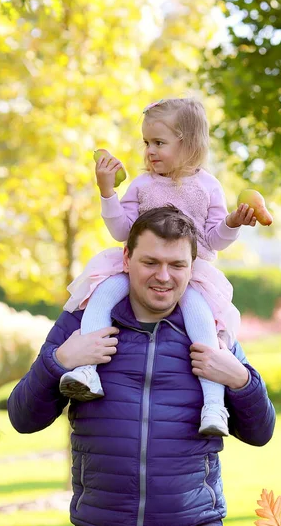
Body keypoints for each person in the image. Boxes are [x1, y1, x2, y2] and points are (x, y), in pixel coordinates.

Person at [8, 206, 276, 526]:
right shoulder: (84, 323)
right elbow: (23, 418)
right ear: (126, 258)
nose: (163, 276)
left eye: (177, 265)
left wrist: (241, 380)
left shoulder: (209, 331)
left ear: (192, 267)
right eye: (150, 262)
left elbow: (261, 432)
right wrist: (61, 360)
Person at [58, 97, 258, 438]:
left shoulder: (208, 186)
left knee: (203, 325)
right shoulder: (141, 184)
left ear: (190, 144)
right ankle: (87, 371)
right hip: (134, 268)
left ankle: (213, 404)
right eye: (147, 143)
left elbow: (212, 241)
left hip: (189, 275)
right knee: (102, 294)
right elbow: (123, 231)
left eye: (159, 143)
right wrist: (108, 193)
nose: (150, 151)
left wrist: (233, 222)